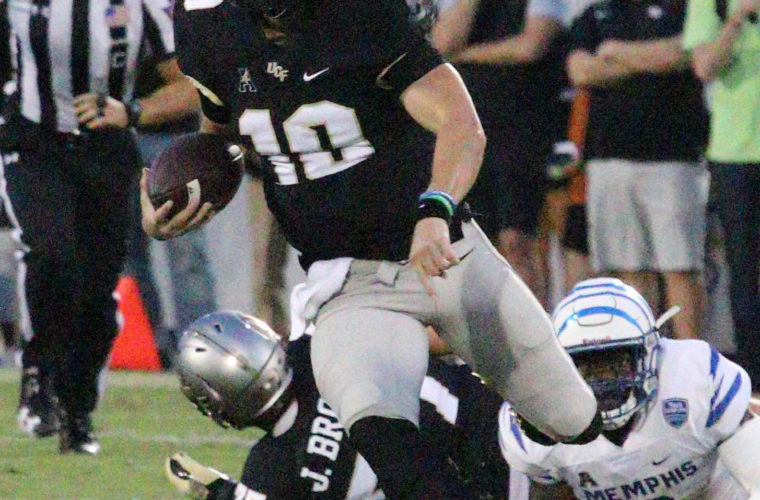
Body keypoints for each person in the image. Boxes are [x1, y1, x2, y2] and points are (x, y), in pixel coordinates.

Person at [141, 0, 602, 496]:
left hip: (446, 256)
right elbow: (224, 135)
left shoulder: (363, 15)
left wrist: (435, 210)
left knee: (578, 427)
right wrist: (185, 196)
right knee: (388, 444)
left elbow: (461, 124)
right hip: (348, 285)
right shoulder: (208, 25)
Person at [5, 0, 197, 455]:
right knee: (51, 254)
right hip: (34, 144)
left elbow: (190, 86)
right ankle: (38, 374)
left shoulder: (144, 5)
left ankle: (77, 409)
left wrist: (132, 111)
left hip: (105, 153)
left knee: (96, 292)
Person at [165, 310, 511, 499]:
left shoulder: (271, 470)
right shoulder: (320, 343)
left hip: (476, 479)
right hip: (504, 417)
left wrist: (229, 495)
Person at [500, 277, 760, 499]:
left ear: (650, 351)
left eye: (616, 361)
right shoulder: (540, 420)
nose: (604, 378)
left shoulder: (696, 376)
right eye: (586, 364)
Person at [566, 0, 710, 340]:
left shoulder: (685, 8)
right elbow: (581, 71)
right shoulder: (596, 14)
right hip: (609, 159)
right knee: (628, 271)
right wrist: (650, 59)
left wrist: (616, 52)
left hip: (673, 159)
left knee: (681, 268)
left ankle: (692, 358)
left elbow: (684, 54)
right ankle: (643, 354)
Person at [430, 0, 570, 306]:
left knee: (518, 241)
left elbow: (530, 46)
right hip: (471, 135)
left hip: (524, 133)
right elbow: (442, 46)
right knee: (476, 243)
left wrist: (466, 55)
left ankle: (533, 325)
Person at [683, 0, 760, 391]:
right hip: (735, 155)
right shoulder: (712, 4)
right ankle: (755, 381)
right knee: (745, 272)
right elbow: (704, 67)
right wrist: (737, 17)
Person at [123, 51, 217, 368]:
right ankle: (149, 349)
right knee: (126, 255)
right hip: (119, 139)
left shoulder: (160, 23)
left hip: (172, 140)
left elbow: (189, 90)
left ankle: (200, 349)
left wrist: (131, 111)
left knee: (186, 251)